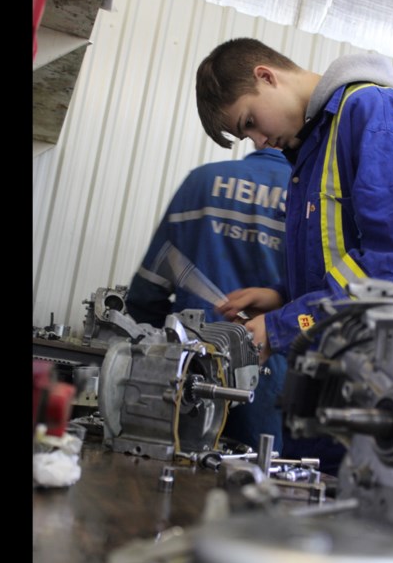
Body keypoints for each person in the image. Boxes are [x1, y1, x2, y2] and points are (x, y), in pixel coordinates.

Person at [195, 38, 393, 472]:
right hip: (332, 390)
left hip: (383, 395)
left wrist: (284, 324)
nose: (259, 140)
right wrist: (282, 295)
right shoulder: (311, 149)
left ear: (266, 75)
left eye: (250, 122)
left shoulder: (373, 112)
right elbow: (345, 260)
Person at [125, 147, 292, 454]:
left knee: (166, 476)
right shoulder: (308, 196)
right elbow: (321, 301)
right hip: (270, 380)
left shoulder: (201, 182)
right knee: (255, 484)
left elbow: (146, 293)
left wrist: (160, 360)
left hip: (186, 375)